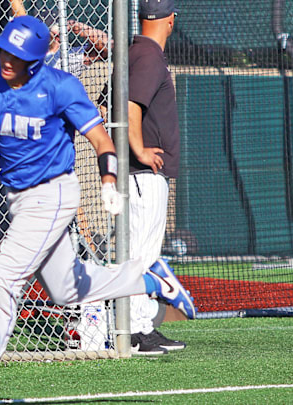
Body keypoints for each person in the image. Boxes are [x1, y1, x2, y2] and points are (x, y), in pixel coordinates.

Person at [0, 15, 195, 405]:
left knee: (2, 282)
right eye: (4, 51)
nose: (7, 61)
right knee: (67, 289)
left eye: (18, 56)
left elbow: (101, 140)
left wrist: (109, 180)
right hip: (20, 199)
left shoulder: (61, 88)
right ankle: (151, 281)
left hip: (53, 195)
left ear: (38, 60)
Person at [124, 0, 186, 355]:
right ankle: (133, 330)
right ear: (171, 19)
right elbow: (131, 105)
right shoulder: (148, 56)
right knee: (141, 253)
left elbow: (108, 105)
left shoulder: (137, 51)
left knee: (144, 250)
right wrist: (139, 148)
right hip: (143, 172)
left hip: (140, 174)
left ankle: (142, 324)